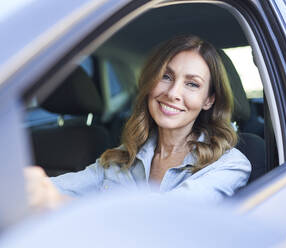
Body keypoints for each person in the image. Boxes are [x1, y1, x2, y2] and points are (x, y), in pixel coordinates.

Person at [25, 34, 251, 210]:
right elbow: (59, 187)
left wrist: (59, 202)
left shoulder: (230, 165)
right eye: (166, 76)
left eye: (192, 84)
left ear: (208, 100)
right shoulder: (121, 158)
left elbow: (161, 218)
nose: (173, 93)